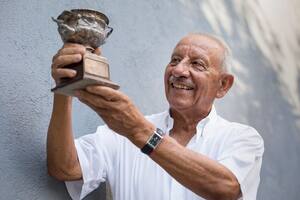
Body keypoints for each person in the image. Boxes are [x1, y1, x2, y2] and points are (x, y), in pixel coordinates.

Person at [47, 33, 264, 200]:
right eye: (174, 60)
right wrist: (66, 87)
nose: (179, 70)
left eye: (197, 64)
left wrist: (139, 132)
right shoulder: (124, 129)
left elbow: (225, 189)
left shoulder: (242, 138)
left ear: (223, 85)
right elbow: (65, 167)